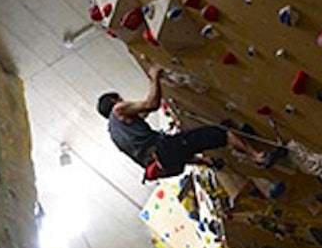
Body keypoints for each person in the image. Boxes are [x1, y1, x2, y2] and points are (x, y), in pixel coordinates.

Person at [98, 65, 280, 180]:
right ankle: (259, 157)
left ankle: (235, 149)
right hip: (165, 151)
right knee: (222, 133)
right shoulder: (118, 109)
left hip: (165, 165)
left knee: (188, 144)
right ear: (114, 101)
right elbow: (151, 104)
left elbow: (172, 157)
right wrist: (155, 78)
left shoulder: (115, 134)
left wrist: (206, 162)